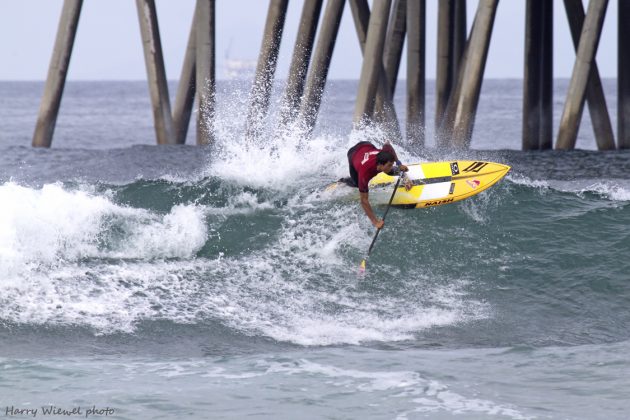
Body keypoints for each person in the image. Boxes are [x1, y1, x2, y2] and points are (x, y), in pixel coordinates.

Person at [342, 141, 412, 229]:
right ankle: (343, 180)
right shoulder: (364, 174)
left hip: (366, 145)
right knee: (357, 184)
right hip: (353, 154)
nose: (391, 167)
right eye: (389, 165)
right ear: (380, 165)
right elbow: (364, 201)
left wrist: (399, 164)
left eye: (391, 164)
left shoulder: (384, 155)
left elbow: (387, 145)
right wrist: (375, 222)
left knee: (390, 171)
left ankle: (404, 177)